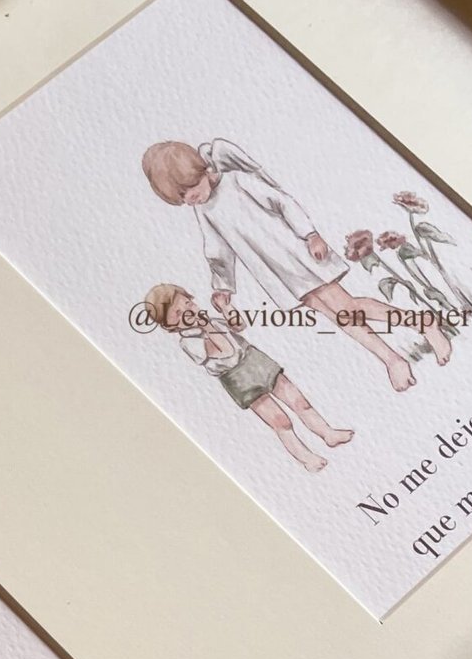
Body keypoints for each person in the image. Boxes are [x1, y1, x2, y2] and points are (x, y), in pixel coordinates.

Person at [142, 138, 446, 390]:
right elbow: (216, 248)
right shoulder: (204, 209)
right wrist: (223, 287)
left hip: (299, 254)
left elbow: (282, 202)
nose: (190, 199)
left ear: (202, 170)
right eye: (182, 198)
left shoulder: (237, 181)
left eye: (190, 189)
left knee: (347, 307)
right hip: (277, 273)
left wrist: (310, 235)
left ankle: (420, 325)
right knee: (338, 316)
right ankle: (392, 358)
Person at [141, 282, 354, 472]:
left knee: (298, 401)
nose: (189, 312)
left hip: (254, 359)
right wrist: (206, 325)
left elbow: (238, 326)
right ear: (170, 326)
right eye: (179, 314)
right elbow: (226, 350)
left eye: (188, 304)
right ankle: (307, 458)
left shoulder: (211, 321)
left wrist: (225, 308)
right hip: (237, 377)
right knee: (280, 421)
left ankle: (327, 433)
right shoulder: (190, 342)